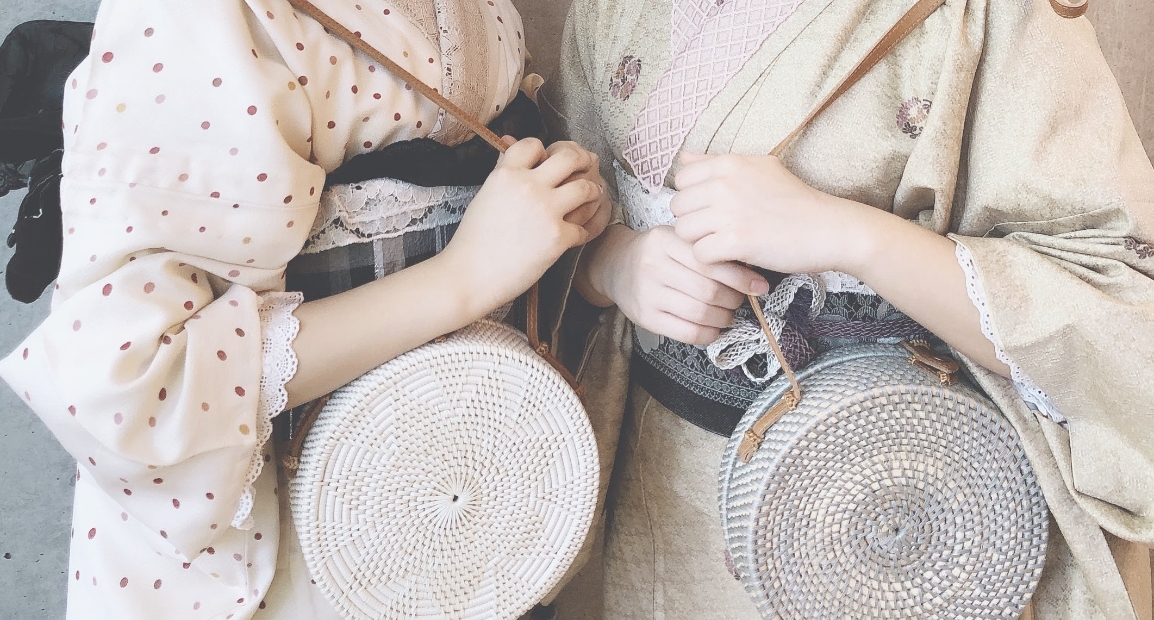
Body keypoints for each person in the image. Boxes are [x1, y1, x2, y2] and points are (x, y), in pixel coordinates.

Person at [0, 1, 611, 618]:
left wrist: (558, 211)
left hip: (471, 498)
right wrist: (463, 278)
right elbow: (130, 381)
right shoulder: (191, 15)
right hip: (297, 539)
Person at [544, 0, 1154, 617]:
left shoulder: (1004, 14)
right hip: (666, 488)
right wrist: (611, 263)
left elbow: (1121, 304)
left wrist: (854, 237)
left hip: (908, 500)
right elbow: (568, 205)